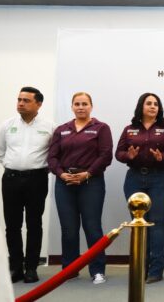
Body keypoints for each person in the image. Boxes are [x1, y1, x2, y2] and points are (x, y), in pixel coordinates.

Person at [48, 92, 113, 284]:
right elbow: (52, 157)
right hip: (64, 182)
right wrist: (61, 173)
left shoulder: (101, 128)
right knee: (69, 229)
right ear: (72, 107)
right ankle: (70, 269)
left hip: (90, 182)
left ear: (91, 106)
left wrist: (88, 173)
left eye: (85, 104)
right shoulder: (62, 129)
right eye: (77, 104)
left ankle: (97, 270)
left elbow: (105, 155)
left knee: (92, 227)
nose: (81, 107)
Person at [116, 93, 164, 284]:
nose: (153, 106)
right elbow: (118, 153)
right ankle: (139, 268)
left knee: (157, 223)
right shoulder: (130, 129)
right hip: (135, 178)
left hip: (159, 178)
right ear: (141, 107)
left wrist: (163, 157)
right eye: (149, 103)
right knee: (138, 224)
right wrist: (129, 156)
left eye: (156, 104)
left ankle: (156, 269)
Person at [0, 87, 54, 284]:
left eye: (26, 100)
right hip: (11, 179)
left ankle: (31, 268)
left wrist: (31, 169)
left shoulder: (50, 127)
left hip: (37, 179)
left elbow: (54, 154)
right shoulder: (7, 125)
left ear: (38, 104)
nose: (20, 103)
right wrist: (15, 168)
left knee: (34, 224)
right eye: (19, 99)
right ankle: (16, 267)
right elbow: (0, 152)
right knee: (12, 225)